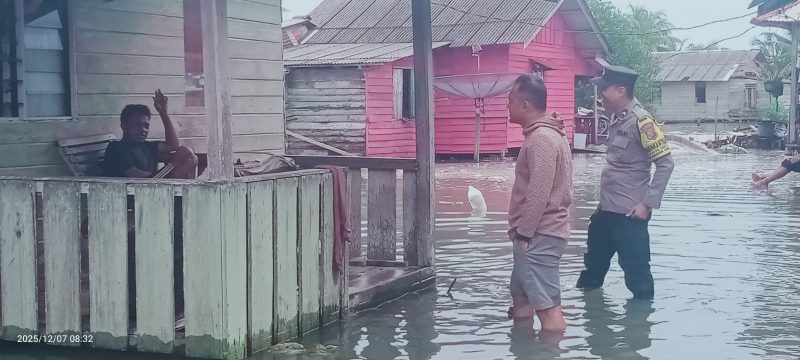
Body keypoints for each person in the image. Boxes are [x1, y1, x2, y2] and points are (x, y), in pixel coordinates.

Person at [575, 65, 675, 300]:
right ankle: (591, 321)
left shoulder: (642, 122)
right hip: (607, 210)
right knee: (592, 268)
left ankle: (640, 329)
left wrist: (647, 204)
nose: (601, 95)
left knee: (637, 276)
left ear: (620, 91)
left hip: (630, 214)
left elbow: (666, 164)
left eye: (604, 90)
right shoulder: (617, 119)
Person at [507, 75, 573, 332]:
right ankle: (523, 348)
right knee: (521, 297)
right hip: (536, 235)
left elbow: (539, 192)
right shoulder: (546, 134)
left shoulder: (542, 139)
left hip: (538, 235)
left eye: (510, 101)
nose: (507, 107)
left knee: (548, 309)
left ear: (525, 105)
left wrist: (524, 234)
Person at [103, 89, 198, 178]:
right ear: (124, 126)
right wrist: (174, 163)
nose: (143, 129)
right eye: (137, 125)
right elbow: (146, 182)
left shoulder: (146, 146)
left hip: (155, 188)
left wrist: (163, 113)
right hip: (135, 192)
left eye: (146, 126)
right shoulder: (116, 149)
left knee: (190, 157)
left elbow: (172, 145)